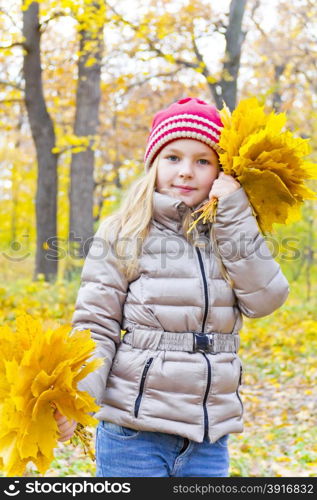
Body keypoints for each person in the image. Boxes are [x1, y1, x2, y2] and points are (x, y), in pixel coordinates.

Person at [54, 97, 289, 477]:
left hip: (208, 439)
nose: (186, 172)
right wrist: (76, 399)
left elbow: (266, 299)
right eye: (173, 157)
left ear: (221, 172)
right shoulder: (124, 232)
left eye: (202, 161)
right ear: (154, 165)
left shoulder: (231, 232)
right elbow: (95, 326)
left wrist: (234, 214)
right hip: (134, 434)